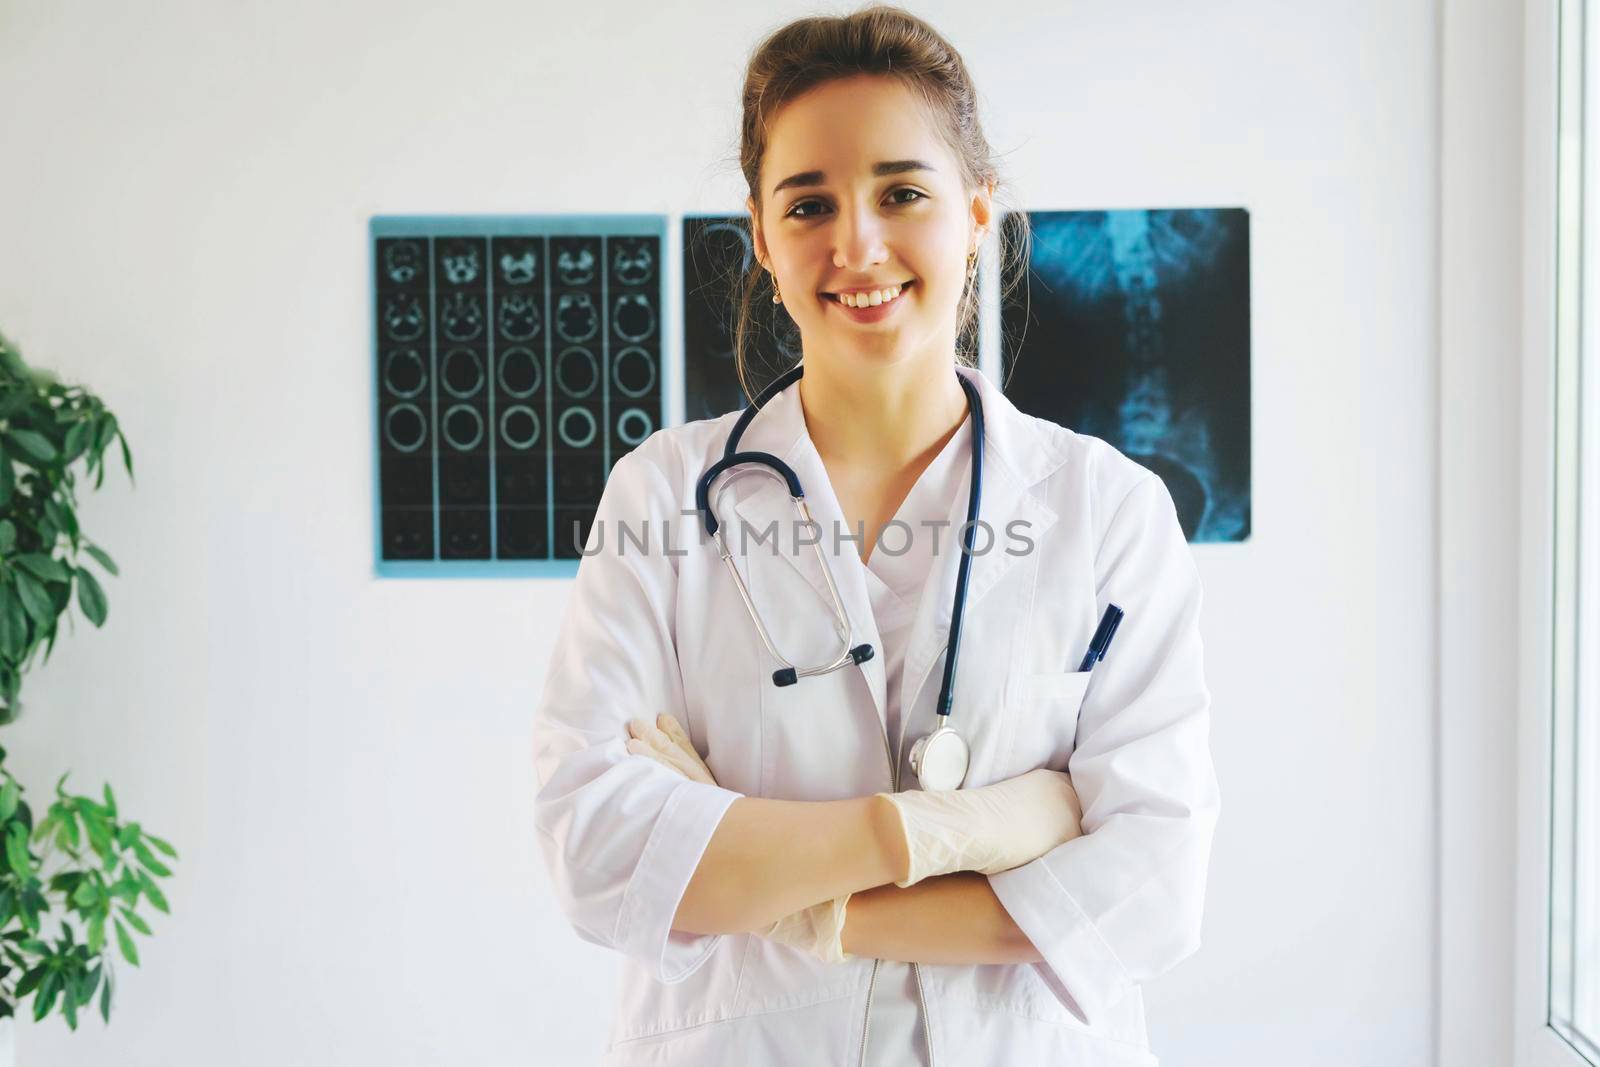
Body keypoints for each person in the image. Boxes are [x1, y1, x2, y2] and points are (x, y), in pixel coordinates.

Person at [531, 7, 1219, 1064]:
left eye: (902, 191)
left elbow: (1154, 882)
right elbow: (598, 846)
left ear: (977, 213)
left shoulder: (1107, 510)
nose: (857, 243)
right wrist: (963, 832)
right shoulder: (663, 495)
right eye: (809, 204)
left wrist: (804, 902)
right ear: (761, 240)